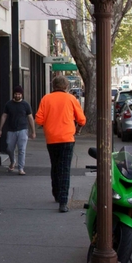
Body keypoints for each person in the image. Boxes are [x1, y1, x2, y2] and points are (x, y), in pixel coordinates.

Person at [34, 75, 86, 212]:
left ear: (53, 86)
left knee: (55, 166)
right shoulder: (71, 99)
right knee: (65, 169)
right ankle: (63, 201)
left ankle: (56, 193)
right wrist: (77, 127)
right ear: (66, 86)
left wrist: (49, 124)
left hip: (51, 138)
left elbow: (39, 120)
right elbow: (82, 119)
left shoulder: (46, 99)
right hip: (67, 138)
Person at [0, 85, 34, 174]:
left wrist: (33, 131)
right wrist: (0, 129)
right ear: (13, 94)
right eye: (16, 94)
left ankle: (21, 168)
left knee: (22, 149)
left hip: (23, 129)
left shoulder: (26, 105)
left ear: (22, 95)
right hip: (11, 130)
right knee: (9, 148)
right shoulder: (9, 104)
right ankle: (13, 161)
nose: (17, 95)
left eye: (19, 94)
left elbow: (30, 117)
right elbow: (4, 116)